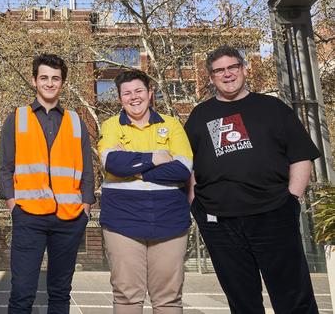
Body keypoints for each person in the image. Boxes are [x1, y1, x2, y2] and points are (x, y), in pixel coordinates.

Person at [184, 45, 320, 313]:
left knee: (293, 296)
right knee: (242, 301)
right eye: (219, 70)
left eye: (232, 67)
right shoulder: (200, 115)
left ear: (244, 69)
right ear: (211, 77)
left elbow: (301, 155)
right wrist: (195, 205)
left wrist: (292, 198)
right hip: (220, 222)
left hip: (273, 214)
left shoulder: (272, 108)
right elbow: (186, 165)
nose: (227, 74)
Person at [0, 54, 95, 314]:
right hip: (28, 216)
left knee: (60, 293)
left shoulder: (76, 121)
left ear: (62, 83)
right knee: (22, 292)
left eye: (55, 78)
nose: (50, 83)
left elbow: (87, 169)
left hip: (70, 217)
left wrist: (85, 207)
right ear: (34, 81)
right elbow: (5, 167)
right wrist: (13, 205)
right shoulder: (17, 118)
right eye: (44, 78)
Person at [98, 70, 193, 314]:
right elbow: (112, 164)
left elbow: (182, 170)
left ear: (150, 93)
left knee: (168, 299)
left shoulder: (171, 125)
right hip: (122, 221)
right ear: (120, 98)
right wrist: (157, 157)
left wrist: (135, 168)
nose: (134, 97)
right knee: (127, 296)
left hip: (169, 221)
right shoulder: (110, 126)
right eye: (126, 93)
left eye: (139, 91)